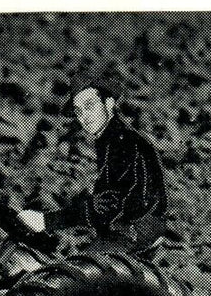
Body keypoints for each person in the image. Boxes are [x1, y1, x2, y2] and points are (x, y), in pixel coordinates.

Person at [18, 80, 167, 255]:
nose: (84, 117)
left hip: (136, 228)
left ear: (109, 103)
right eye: (78, 112)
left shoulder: (124, 143)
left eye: (90, 106)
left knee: (69, 275)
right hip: (129, 225)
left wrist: (48, 221)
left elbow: (111, 203)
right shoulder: (108, 140)